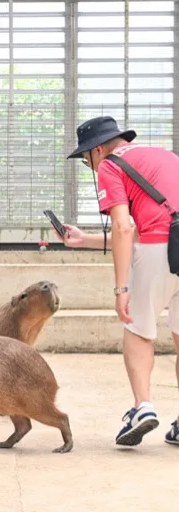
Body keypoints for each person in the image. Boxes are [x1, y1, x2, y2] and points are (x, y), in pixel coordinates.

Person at [60, 115, 179, 447]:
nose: (91, 168)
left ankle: (143, 408)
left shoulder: (111, 165)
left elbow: (126, 230)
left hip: (157, 249)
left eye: (87, 161)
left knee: (138, 331)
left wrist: (121, 288)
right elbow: (149, 229)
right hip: (171, 245)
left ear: (98, 150)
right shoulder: (164, 156)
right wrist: (84, 240)